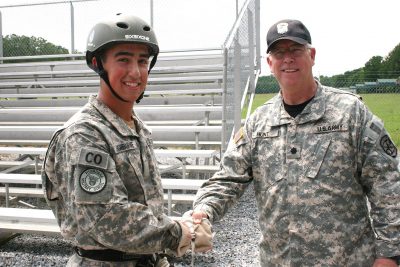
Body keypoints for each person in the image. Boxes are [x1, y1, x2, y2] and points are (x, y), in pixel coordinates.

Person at [189, 19, 400, 266]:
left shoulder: (350, 113)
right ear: (270, 63)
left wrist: (389, 255)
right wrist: (204, 208)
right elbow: (227, 178)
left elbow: (387, 187)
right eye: (279, 52)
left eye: (295, 50)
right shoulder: (259, 123)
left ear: (311, 55)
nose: (287, 59)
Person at [41, 13, 208, 267]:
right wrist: (181, 233)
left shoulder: (135, 127)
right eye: (123, 60)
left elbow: (144, 206)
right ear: (98, 64)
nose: (135, 71)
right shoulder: (85, 134)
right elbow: (109, 219)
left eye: (142, 61)